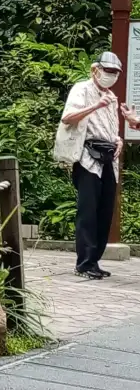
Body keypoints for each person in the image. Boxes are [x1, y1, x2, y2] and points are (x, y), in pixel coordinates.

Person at [58, 51, 123, 279]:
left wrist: (119, 140)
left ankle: (94, 261)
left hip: (109, 159)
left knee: (105, 211)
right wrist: (95, 106)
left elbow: (111, 128)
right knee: (88, 211)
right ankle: (84, 264)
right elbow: (68, 118)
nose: (111, 76)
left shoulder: (112, 97)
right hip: (87, 157)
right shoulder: (82, 89)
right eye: (108, 71)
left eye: (115, 72)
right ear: (95, 70)